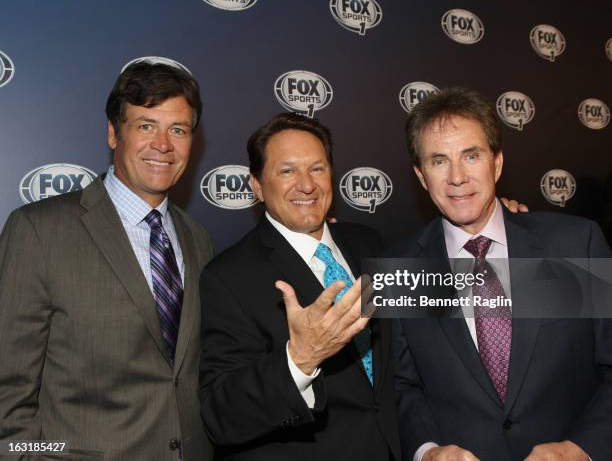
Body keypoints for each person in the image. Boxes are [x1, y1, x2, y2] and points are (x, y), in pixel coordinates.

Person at [0, 62, 214, 460]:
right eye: (146, 125)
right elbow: (6, 393)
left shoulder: (197, 238)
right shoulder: (39, 231)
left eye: (178, 130)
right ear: (114, 133)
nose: (163, 144)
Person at [392, 87, 612, 461]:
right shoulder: (399, 268)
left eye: (471, 155)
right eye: (439, 161)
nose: (457, 177)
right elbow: (401, 386)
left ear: (497, 163)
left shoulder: (575, 245)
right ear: (420, 174)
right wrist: (427, 451)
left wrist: (584, 448)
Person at [199, 113, 402, 460]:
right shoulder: (227, 277)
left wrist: (492, 224)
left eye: (317, 168)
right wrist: (300, 360)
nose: (306, 185)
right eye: (287, 171)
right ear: (257, 186)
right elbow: (221, 415)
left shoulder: (368, 244)